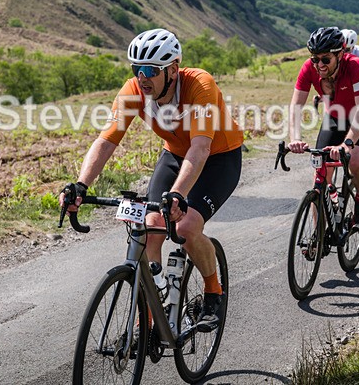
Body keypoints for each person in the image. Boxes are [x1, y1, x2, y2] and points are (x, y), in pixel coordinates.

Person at [60, 28, 242, 332]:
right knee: (150, 227)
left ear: (172, 69)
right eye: (136, 69)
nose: (142, 77)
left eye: (150, 70)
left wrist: (178, 194)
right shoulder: (134, 91)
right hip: (173, 155)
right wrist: (81, 184)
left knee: (184, 227)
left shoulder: (199, 85)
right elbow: (106, 141)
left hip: (217, 157)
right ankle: (151, 313)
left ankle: (213, 291)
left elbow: (200, 148)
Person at [288, 26, 359, 228]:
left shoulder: (356, 65)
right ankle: (317, 236)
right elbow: (296, 106)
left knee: (354, 160)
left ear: (340, 54)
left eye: (325, 59)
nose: (319, 64)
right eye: (315, 59)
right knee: (320, 170)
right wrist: (295, 138)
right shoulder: (308, 68)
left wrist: (347, 144)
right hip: (335, 116)